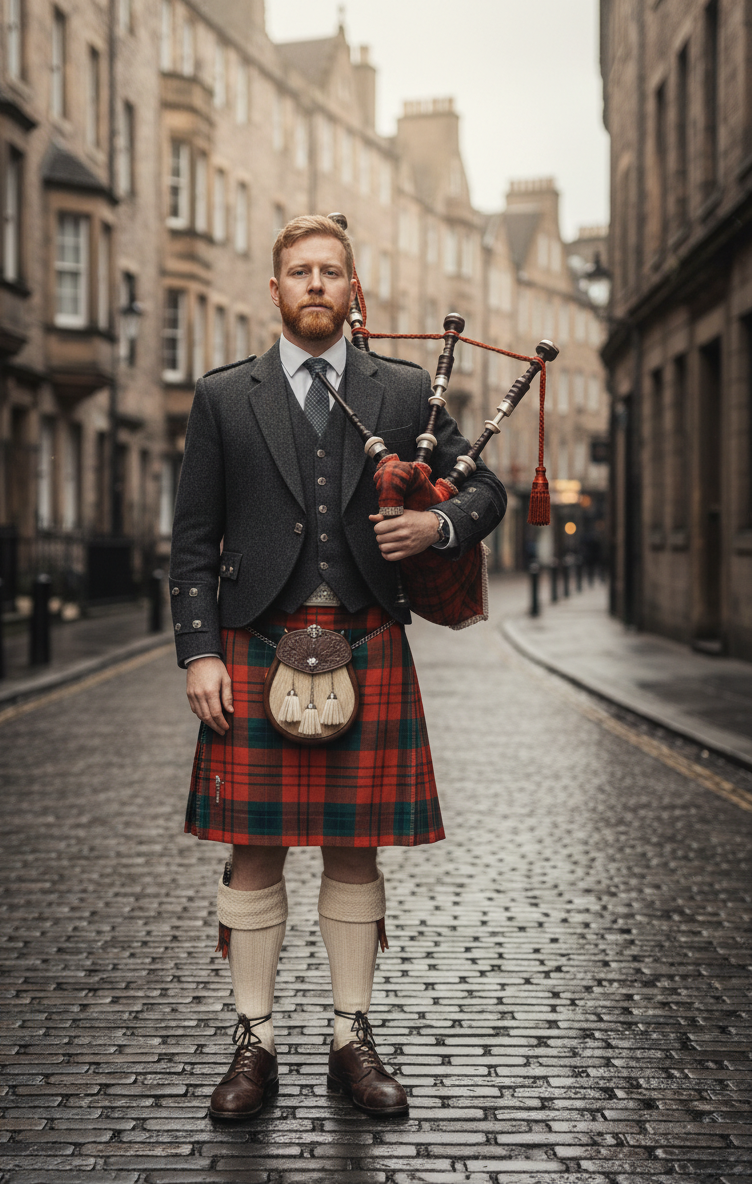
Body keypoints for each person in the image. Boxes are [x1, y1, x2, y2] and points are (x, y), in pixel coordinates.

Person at [169, 214, 506, 1120]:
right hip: (255, 640)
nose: (314, 285)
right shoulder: (222, 397)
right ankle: (255, 1042)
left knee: (354, 854)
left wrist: (436, 526)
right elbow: (193, 543)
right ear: (273, 289)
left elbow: (486, 488)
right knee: (255, 852)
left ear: (352, 290)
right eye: (298, 272)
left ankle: (351, 1035)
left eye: (330, 272)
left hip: (367, 638)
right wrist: (200, 650)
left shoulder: (403, 393)